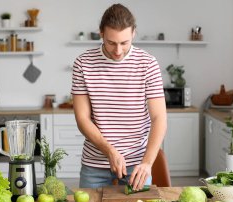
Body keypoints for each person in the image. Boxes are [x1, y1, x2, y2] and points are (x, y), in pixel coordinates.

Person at [71, 3, 167, 191]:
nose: (117, 51)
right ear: (101, 34)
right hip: (95, 164)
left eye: (124, 43)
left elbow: (159, 118)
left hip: (137, 165)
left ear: (133, 34)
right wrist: (109, 151)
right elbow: (82, 119)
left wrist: (147, 163)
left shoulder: (148, 64)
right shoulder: (83, 64)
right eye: (111, 42)